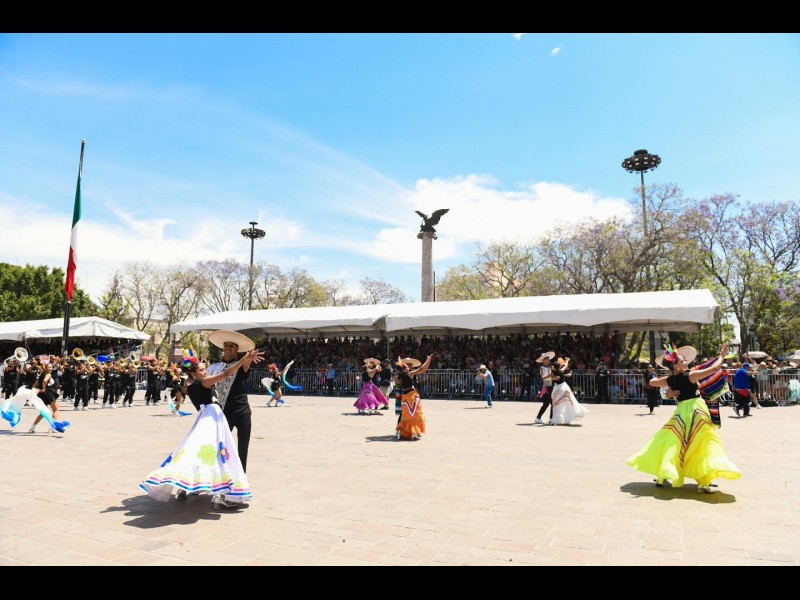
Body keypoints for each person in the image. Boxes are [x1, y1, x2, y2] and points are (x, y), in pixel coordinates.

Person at [139, 348, 261, 510]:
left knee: (198, 453)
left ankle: (185, 487)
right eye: (202, 370)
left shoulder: (191, 384)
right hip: (211, 420)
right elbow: (226, 374)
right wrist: (243, 359)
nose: (206, 372)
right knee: (215, 455)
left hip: (208, 418)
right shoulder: (203, 383)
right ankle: (218, 493)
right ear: (194, 374)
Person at [627, 342, 741, 494]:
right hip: (696, 410)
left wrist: (668, 389)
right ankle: (703, 481)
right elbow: (714, 369)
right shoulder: (690, 375)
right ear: (676, 365)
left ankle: (664, 475)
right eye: (682, 361)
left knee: (674, 442)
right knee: (701, 442)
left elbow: (652, 382)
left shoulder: (671, 380)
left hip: (681, 412)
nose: (686, 362)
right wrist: (722, 356)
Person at [205, 330, 265, 472]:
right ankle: (220, 474)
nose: (228, 348)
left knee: (243, 448)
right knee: (221, 446)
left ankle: (241, 477)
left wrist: (248, 357)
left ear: (237, 349)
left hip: (243, 412)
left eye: (232, 346)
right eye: (226, 345)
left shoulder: (241, 364)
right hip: (225, 412)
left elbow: (246, 362)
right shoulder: (215, 367)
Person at [394, 354, 433, 440]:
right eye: (407, 366)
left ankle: (411, 431)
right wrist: (428, 360)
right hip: (410, 396)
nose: (409, 367)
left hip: (407, 396)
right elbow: (422, 369)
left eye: (409, 365)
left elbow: (423, 369)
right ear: (405, 368)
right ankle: (406, 431)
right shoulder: (410, 374)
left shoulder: (402, 375)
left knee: (409, 414)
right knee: (411, 413)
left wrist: (428, 361)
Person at [28, 361, 70, 434]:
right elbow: (45, 381)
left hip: (42, 394)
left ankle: (32, 427)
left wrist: (37, 392)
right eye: (49, 367)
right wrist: (44, 388)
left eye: (51, 367)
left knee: (44, 412)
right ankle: (52, 428)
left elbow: (34, 385)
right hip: (48, 393)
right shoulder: (48, 374)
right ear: (45, 368)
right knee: (56, 409)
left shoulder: (42, 375)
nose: (51, 368)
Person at [549, 357, 588, 425]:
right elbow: (566, 365)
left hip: (559, 389)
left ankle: (555, 420)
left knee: (557, 404)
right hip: (564, 387)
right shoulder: (561, 370)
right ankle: (565, 418)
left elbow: (553, 376)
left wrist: (547, 376)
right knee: (566, 403)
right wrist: (567, 360)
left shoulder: (555, 372)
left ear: (554, 367)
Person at [534, 351, 555, 424]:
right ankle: (542, 418)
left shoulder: (550, 367)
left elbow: (551, 377)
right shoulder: (542, 368)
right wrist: (550, 375)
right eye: (547, 359)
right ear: (543, 360)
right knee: (548, 404)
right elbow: (543, 377)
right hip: (546, 387)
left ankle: (548, 418)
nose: (548, 360)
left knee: (550, 404)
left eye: (548, 359)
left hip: (550, 386)